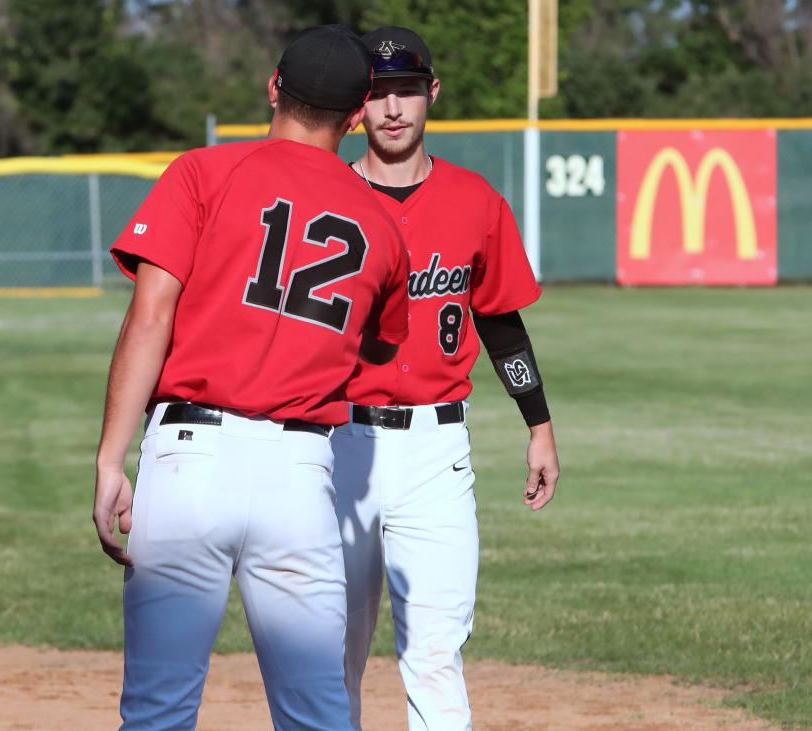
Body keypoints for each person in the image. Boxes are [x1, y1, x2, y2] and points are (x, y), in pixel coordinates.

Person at [92, 25, 411, 731]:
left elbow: (151, 316)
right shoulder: (383, 228)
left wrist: (112, 457)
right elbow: (382, 350)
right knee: (318, 715)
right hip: (299, 476)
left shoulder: (203, 173)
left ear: (273, 87)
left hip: (187, 462)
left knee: (157, 711)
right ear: (359, 114)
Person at [332, 26, 561, 731]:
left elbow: (500, 321)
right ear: (356, 108)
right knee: (330, 651)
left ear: (431, 93)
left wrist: (539, 425)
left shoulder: (474, 200)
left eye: (406, 90)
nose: (393, 108)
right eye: (377, 94)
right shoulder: (325, 195)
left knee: (434, 652)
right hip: (335, 444)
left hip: (437, 449)